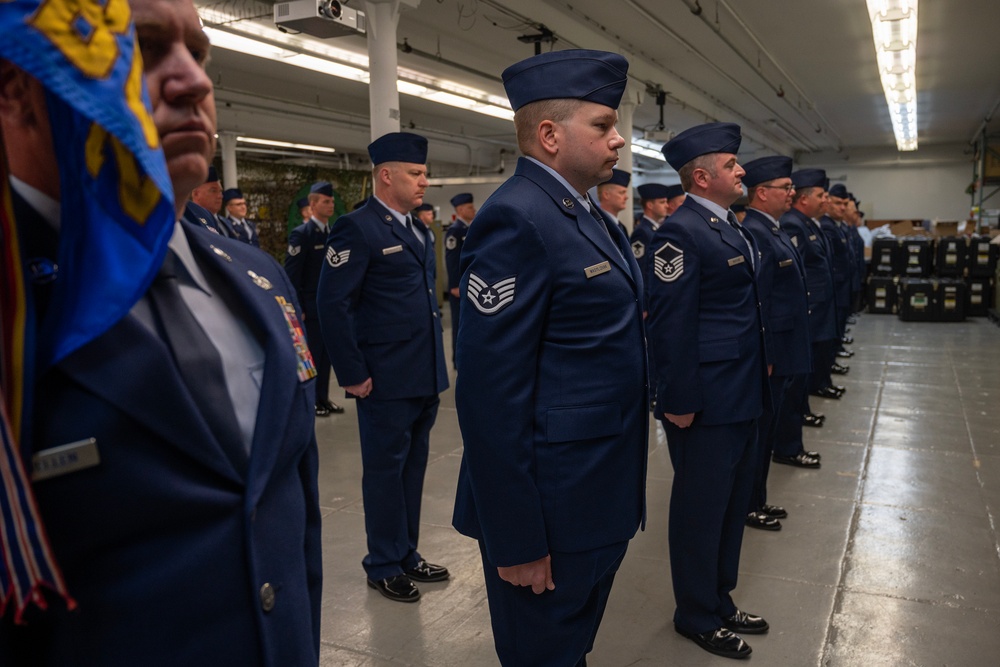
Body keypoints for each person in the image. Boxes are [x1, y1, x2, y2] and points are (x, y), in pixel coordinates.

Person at [0, 1, 321, 664]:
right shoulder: (12, 312)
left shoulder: (259, 280)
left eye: (199, 54)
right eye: (140, 50)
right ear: (18, 91)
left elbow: (292, 524)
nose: (194, 81)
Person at [452, 49, 647, 667]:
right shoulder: (518, 219)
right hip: (551, 510)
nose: (618, 140)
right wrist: (517, 537)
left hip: (595, 492)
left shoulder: (588, 216)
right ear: (549, 135)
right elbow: (489, 397)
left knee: (571, 648)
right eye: (602, 124)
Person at [646, 122, 769, 660]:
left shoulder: (730, 226)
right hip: (706, 399)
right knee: (701, 508)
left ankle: (719, 598)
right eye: (731, 165)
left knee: (732, 502)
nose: (741, 170)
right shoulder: (679, 233)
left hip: (741, 390)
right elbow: (669, 326)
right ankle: (694, 613)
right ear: (701, 176)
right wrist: (677, 400)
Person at [316, 132, 450, 604]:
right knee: (384, 473)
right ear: (386, 175)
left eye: (425, 173)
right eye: (416, 174)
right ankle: (382, 563)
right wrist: (350, 373)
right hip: (384, 377)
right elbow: (333, 305)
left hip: (421, 373)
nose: (424, 182)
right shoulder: (357, 228)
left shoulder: (415, 229)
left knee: (412, 470)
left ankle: (406, 552)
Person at [739, 156, 814, 531]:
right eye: (785, 188)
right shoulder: (755, 232)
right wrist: (766, 353)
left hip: (784, 349)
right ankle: (750, 504)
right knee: (761, 432)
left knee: (767, 432)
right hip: (773, 353)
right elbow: (761, 300)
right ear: (761, 193)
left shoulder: (774, 228)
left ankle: (758, 499)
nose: (792, 193)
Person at [285, 181, 345, 417]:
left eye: (331, 202)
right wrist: (297, 306)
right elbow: (292, 275)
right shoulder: (302, 235)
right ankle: (311, 401)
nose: (330, 205)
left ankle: (323, 398)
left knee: (326, 356)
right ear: (312, 204)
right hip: (310, 307)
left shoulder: (334, 233)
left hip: (329, 306)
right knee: (311, 356)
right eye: (325, 201)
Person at [445, 193, 475, 370]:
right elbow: (452, 259)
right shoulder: (455, 231)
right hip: (459, 287)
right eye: (470, 207)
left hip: (467, 285)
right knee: (458, 324)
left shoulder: (467, 228)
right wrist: (454, 285)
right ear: (461, 210)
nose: (474, 210)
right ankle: (458, 360)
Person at [189, 166, 236, 237]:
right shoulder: (191, 221)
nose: (220, 196)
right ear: (196, 194)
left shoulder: (225, 223)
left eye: (220, 191)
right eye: (213, 191)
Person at [597, 167, 631, 236]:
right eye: (622, 192)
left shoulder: (620, 226)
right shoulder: (598, 225)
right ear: (606, 195)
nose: (626, 197)